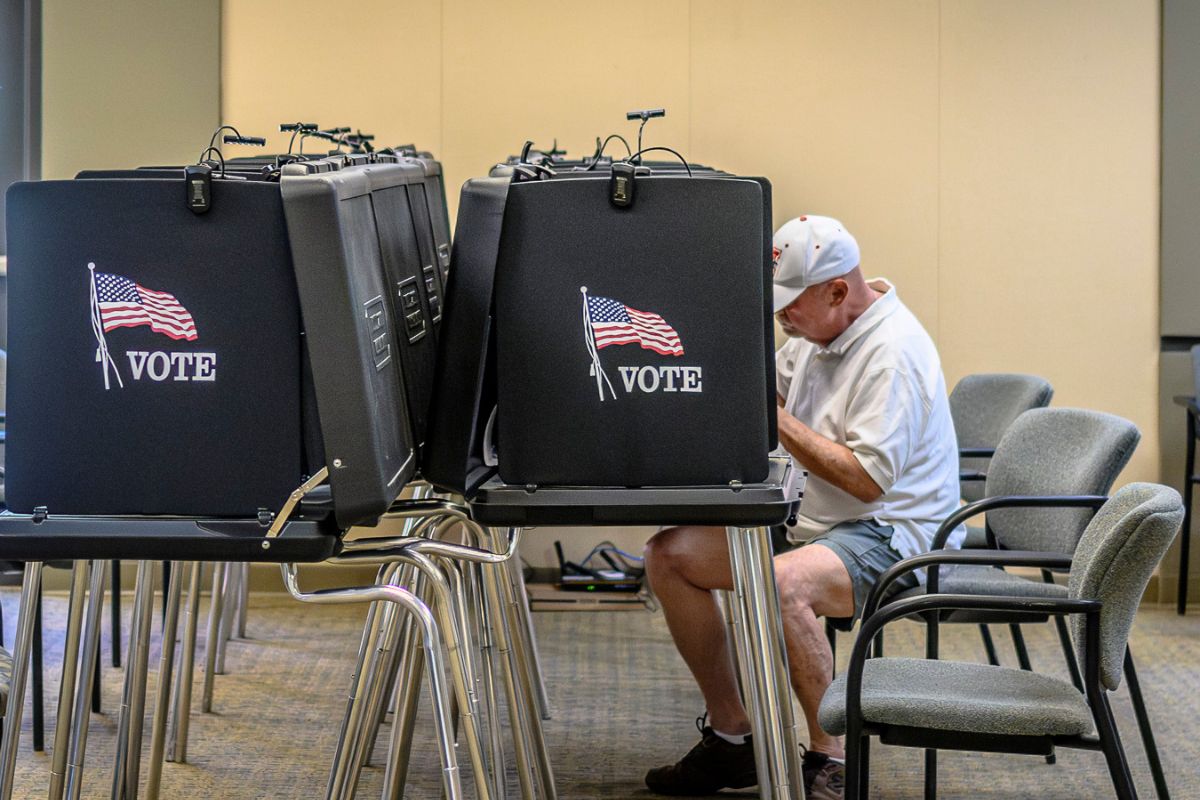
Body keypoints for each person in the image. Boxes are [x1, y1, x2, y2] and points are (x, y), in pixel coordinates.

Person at [643, 215, 964, 798]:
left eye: (790, 305)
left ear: (838, 290)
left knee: (780, 585)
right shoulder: (820, 336)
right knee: (669, 556)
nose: (781, 317)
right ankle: (732, 736)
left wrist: (774, 418)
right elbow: (765, 386)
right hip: (818, 518)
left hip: (893, 535)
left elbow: (867, 481)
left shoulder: (892, 355)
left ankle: (831, 759)